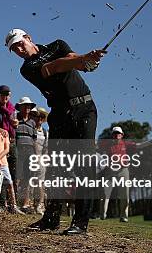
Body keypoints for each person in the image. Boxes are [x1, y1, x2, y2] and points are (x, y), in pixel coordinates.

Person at [6, 27, 105, 235]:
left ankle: (80, 223)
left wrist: (88, 60)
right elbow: (56, 66)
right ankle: (50, 219)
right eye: (14, 49)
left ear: (29, 38)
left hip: (84, 109)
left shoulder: (57, 44)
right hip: (60, 113)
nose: (19, 50)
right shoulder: (27, 68)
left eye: (19, 44)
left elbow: (71, 57)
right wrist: (83, 60)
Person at [100, 126, 152, 222]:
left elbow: (139, 145)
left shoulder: (126, 144)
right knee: (104, 193)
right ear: (112, 135)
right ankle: (102, 215)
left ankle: (123, 216)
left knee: (124, 195)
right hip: (110, 171)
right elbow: (95, 145)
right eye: (115, 133)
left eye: (118, 133)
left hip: (123, 171)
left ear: (122, 135)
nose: (116, 135)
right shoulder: (106, 144)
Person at [14, 97, 37, 213]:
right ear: (20, 107)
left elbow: (34, 140)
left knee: (27, 178)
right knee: (17, 177)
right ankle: (14, 203)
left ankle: (25, 203)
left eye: (29, 106)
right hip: (18, 150)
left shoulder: (32, 122)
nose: (27, 108)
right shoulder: (15, 119)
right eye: (25, 106)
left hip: (30, 150)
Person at [29, 107, 49, 215]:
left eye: (42, 116)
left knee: (41, 183)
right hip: (30, 158)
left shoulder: (45, 132)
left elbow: (46, 148)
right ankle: (30, 204)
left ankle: (40, 204)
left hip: (41, 159)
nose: (39, 119)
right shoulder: (30, 130)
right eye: (38, 116)